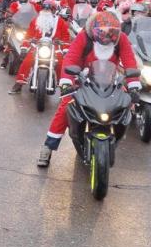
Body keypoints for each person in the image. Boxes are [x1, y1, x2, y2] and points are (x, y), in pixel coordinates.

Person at [37, 11, 140, 167]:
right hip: (83, 79)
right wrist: (66, 82)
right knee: (66, 106)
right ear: (94, 29)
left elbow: (129, 61)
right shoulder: (84, 37)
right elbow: (71, 57)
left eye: (111, 33)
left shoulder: (122, 40)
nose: (106, 37)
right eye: (102, 32)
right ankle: (48, 146)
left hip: (111, 82)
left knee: (126, 105)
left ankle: (116, 138)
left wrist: (133, 85)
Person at [9, 0, 70, 94]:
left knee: (61, 63)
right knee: (27, 61)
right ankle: (19, 83)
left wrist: (65, 48)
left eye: (49, 9)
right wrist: (25, 47)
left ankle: (64, 87)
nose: (46, 11)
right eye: (44, 9)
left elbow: (66, 37)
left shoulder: (61, 22)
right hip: (37, 45)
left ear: (54, 10)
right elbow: (28, 35)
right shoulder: (35, 20)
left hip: (54, 47)